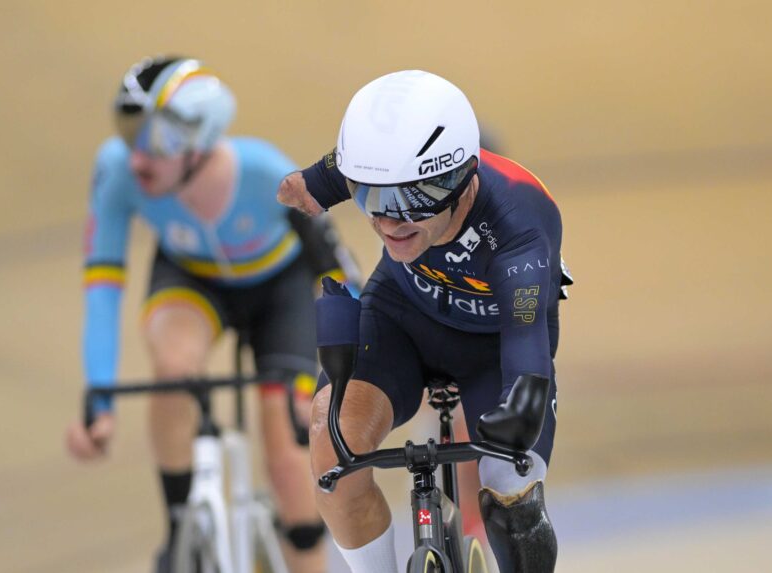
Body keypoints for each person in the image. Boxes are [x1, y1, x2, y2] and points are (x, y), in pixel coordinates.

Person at [64, 55, 358, 573]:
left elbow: (338, 274)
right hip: (191, 279)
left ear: (196, 140)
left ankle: (306, 551)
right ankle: (181, 524)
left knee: (289, 445)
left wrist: (352, 368)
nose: (136, 158)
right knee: (174, 369)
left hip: (279, 291)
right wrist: (100, 397)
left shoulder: (265, 171)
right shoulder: (116, 168)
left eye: (152, 140)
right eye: (127, 134)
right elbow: (103, 286)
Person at [278, 70, 572, 573]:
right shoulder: (369, 168)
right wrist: (304, 187)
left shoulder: (518, 223)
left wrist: (520, 409)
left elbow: (525, 344)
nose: (389, 222)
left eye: (411, 198)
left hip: (497, 349)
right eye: (371, 196)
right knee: (334, 453)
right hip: (400, 321)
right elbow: (331, 175)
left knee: (508, 486)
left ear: (460, 177)